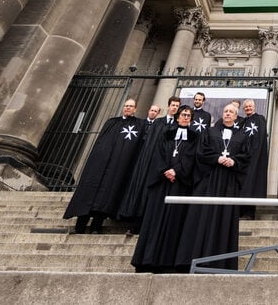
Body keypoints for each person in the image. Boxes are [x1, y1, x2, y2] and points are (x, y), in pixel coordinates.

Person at [175, 103, 251, 271]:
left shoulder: (242, 136)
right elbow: (201, 152)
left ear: (236, 116)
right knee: (203, 216)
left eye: (231, 112)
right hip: (210, 180)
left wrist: (234, 161)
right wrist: (216, 158)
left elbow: (246, 157)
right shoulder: (209, 132)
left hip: (229, 183)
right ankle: (195, 258)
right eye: (226, 111)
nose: (228, 114)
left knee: (224, 218)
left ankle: (221, 263)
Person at [131, 105, 198, 273]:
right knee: (154, 220)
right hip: (161, 183)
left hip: (180, 185)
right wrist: (165, 171)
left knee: (174, 221)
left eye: (188, 115)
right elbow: (158, 155)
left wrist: (177, 171)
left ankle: (167, 262)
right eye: (183, 114)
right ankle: (147, 260)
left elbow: (191, 158)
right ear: (177, 117)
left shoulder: (195, 137)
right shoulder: (166, 135)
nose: (185, 117)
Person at [63, 98, 143, 234]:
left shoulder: (139, 125)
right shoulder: (111, 122)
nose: (128, 108)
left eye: (131, 106)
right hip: (99, 165)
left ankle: (96, 226)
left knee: (105, 196)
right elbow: (101, 142)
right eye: (126, 106)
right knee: (88, 193)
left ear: (135, 109)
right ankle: (80, 226)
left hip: (116, 168)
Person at [118, 100, 172, 230]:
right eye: (151, 110)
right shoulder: (153, 124)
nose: (153, 112)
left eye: (155, 111)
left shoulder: (165, 125)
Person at [239, 98, 269, 219]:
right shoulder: (242, 122)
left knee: (251, 183)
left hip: (254, 157)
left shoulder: (260, 119)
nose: (248, 108)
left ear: (254, 107)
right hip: (243, 158)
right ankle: (240, 211)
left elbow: (260, 138)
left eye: (250, 106)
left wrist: (254, 155)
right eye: (246, 107)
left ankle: (249, 212)